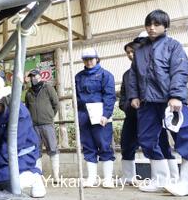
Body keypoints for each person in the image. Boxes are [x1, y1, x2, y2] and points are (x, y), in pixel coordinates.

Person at [129, 9, 188, 196]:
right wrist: (134, 96)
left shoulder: (174, 46)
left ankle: (187, 182)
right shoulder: (139, 51)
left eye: (156, 24)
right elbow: (133, 76)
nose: (151, 28)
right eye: (148, 24)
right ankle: (160, 179)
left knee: (184, 138)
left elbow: (180, 71)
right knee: (147, 139)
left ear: (166, 26)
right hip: (147, 102)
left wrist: (176, 96)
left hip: (170, 101)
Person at [119, 41, 178, 185]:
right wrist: (127, 105)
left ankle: (171, 177)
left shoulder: (154, 69)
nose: (130, 55)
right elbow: (123, 95)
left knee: (161, 142)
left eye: (132, 51)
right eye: (128, 53)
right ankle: (128, 176)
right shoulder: (127, 75)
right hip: (132, 115)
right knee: (126, 144)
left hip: (152, 112)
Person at [75, 48, 116, 188]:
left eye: (91, 59)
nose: (89, 62)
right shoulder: (78, 76)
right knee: (88, 146)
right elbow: (76, 98)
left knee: (104, 145)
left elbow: (110, 96)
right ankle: (91, 178)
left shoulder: (106, 75)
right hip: (84, 115)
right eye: (86, 59)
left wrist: (106, 114)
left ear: (97, 59)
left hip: (100, 115)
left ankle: (108, 179)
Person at [25, 69, 60, 184]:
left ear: (40, 76)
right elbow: (26, 108)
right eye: (31, 77)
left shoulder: (48, 88)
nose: (33, 78)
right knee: (36, 151)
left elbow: (56, 104)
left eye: (35, 76)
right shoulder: (28, 93)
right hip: (34, 126)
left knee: (53, 149)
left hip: (47, 124)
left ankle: (56, 177)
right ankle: (38, 177)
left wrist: (49, 117)